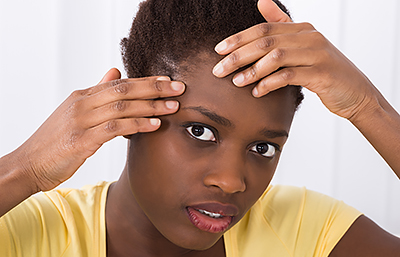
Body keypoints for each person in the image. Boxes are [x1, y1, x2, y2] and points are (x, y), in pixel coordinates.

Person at [0, 0, 399, 256]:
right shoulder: (30, 233)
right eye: (200, 132)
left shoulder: (306, 232)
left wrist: (370, 108)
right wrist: (24, 170)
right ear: (127, 110)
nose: (230, 182)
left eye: (263, 148)